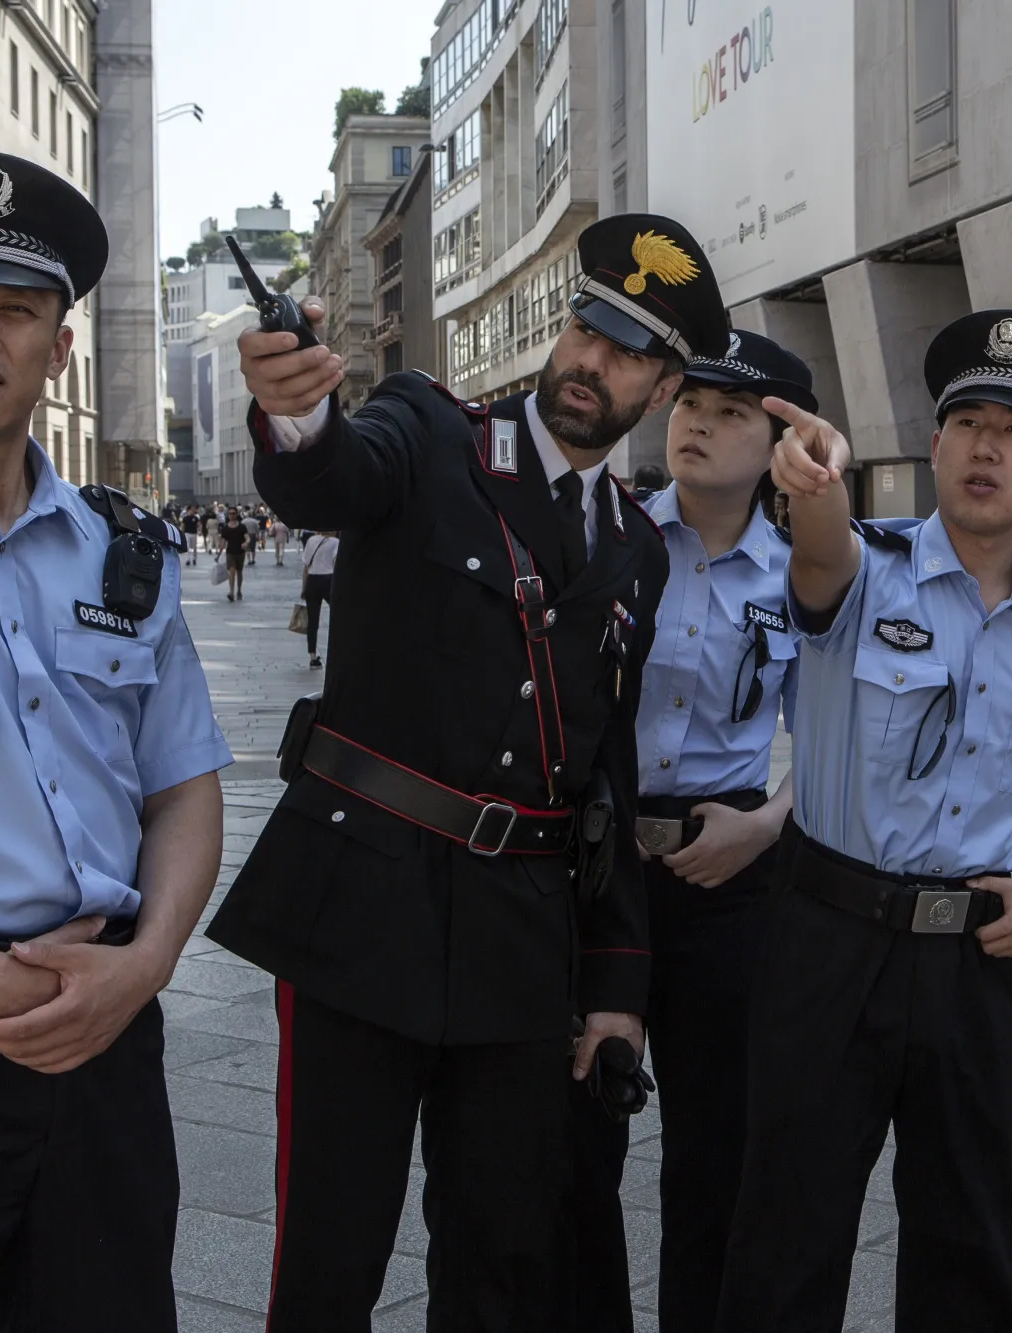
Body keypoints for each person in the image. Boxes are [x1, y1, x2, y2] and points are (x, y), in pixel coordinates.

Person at [205, 213, 728, 1331]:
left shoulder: (633, 546)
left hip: (519, 940)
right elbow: (332, 475)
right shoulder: (432, 431)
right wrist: (295, 407)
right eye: (586, 328)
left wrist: (615, 990)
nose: (590, 362)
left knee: (503, 1258)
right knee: (328, 1255)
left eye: (629, 350)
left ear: (668, 381)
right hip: (364, 908)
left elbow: (606, 783)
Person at [715, 309, 1012, 1333]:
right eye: (966, 420)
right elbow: (817, 561)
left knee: (973, 1241)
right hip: (829, 941)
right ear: (932, 444)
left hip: (976, 958)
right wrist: (814, 487)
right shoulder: (864, 568)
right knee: (788, 1231)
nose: (985, 446)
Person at [0, 149, 231, 1333]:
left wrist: (147, 965)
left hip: (104, 1042)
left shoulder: (124, 551)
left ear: (59, 348)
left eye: (13, 314)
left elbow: (182, 782)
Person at [571, 331, 813, 1333]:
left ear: (779, 441)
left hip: (729, 880)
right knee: (576, 1136)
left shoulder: (807, 573)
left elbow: (837, 737)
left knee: (719, 1152)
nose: (698, 426)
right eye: (689, 406)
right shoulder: (611, 537)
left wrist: (763, 830)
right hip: (597, 875)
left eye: (729, 413)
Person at [297, 528, 338, 669]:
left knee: (312, 621)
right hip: (329, 580)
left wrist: (303, 588)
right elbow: (336, 564)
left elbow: (305, 567)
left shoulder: (311, 540)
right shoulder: (335, 542)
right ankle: (337, 650)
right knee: (339, 616)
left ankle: (313, 656)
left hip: (312, 581)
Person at [217, 505, 249, 601]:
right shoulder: (226, 528)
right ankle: (231, 592)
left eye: (233, 513)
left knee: (239, 572)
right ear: (228, 515)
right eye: (230, 513)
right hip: (230, 552)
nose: (231, 515)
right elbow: (223, 541)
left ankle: (239, 590)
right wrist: (219, 552)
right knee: (231, 572)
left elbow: (247, 537)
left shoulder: (242, 526)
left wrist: (246, 543)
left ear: (236, 514)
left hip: (240, 552)